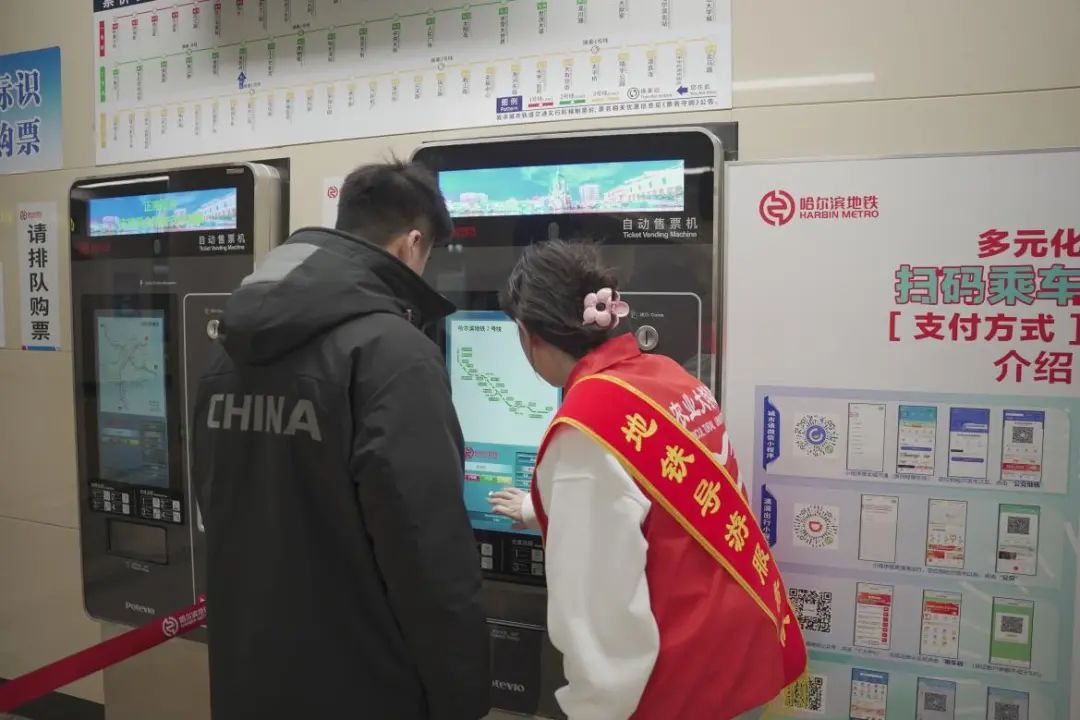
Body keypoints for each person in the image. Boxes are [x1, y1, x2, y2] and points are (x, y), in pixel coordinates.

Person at [193, 160, 490, 720]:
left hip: (247, 669)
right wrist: (462, 694)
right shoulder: (394, 354)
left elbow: (215, 496)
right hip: (362, 680)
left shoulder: (228, 348)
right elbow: (426, 550)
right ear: (412, 243)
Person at [489, 239, 807, 720]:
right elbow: (660, 499)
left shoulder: (584, 426)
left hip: (683, 684)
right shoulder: (667, 376)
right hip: (743, 650)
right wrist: (546, 508)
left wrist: (592, 711)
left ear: (527, 333)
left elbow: (600, 619)